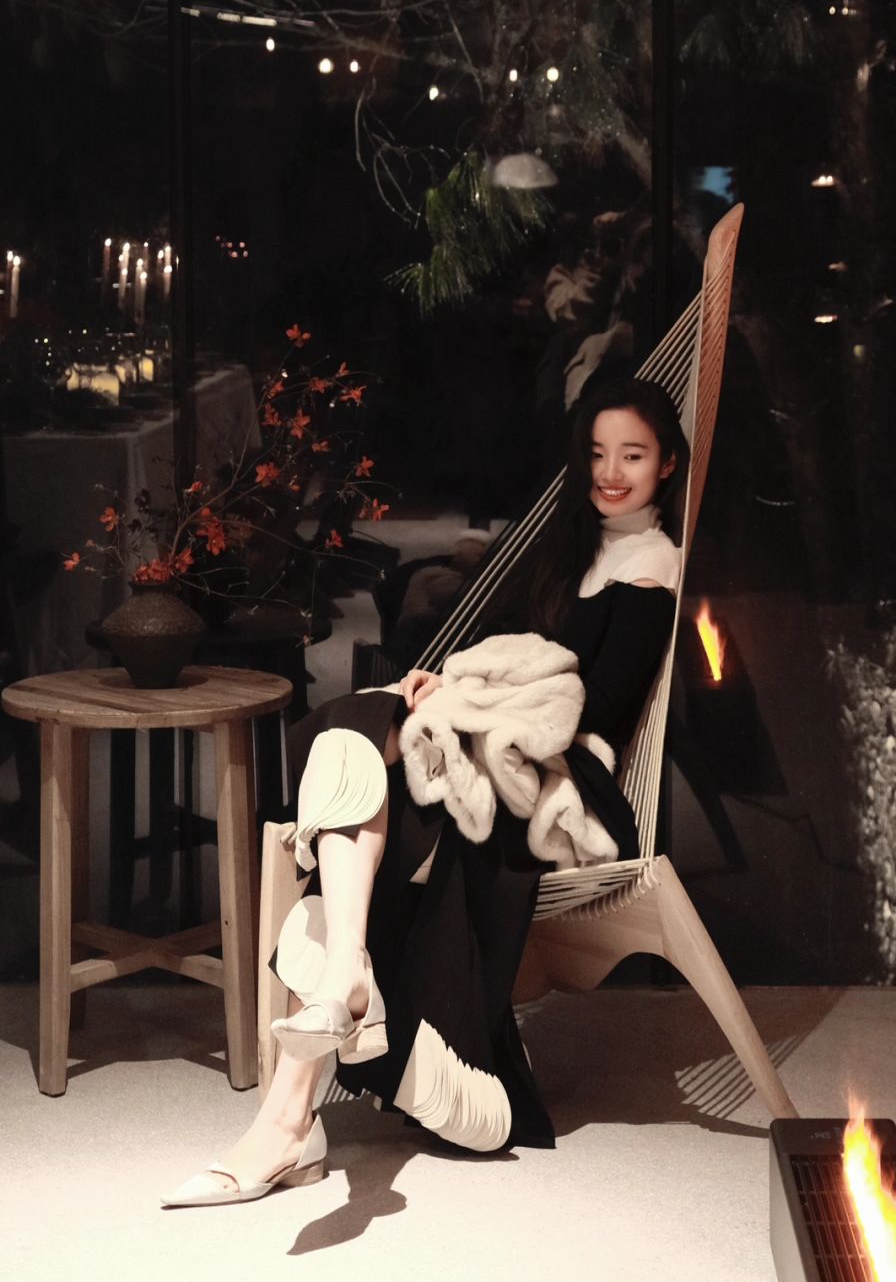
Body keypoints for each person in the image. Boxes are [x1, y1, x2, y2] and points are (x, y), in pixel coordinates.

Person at [161, 377, 690, 1207]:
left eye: (633, 455)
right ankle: (342, 983)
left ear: (667, 465)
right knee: (361, 725)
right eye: (597, 454)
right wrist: (450, 686)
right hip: (503, 746)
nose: (611, 473)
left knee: (358, 746)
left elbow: (594, 708)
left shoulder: (651, 570)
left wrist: (470, 703)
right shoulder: (573, 547)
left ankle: (290, 1118)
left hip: (559, 778)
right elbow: (511, 652)